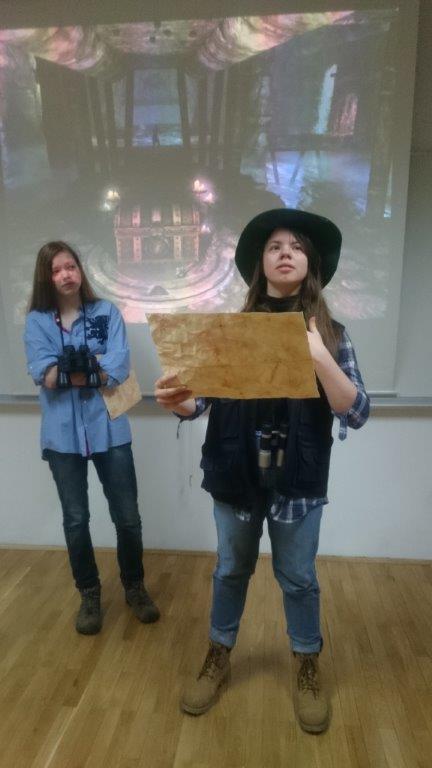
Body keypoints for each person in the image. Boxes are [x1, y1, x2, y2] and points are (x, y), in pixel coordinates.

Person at [154, 209, 369, 733]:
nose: (285, 252)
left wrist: (318, 355)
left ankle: (306, 662)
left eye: (296, 246)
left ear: (311, 263)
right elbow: (200, 402)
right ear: (261, 263)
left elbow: (356, 411)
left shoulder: (332, 335)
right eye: (275, 246)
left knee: (298, 578)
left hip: (298, 480)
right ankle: (218, 653)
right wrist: (178, 402)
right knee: (230, 569)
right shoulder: (231, 332)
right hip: (236, 474)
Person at [24, 241, 159, 635]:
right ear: (46, 277)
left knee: (128, 517)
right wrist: (88, 369)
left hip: (110, 429)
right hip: (61, 437)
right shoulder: (36, 321)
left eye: (71, 266)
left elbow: (117, 368)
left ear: (80, 270)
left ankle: (134, 586)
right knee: (75, 519)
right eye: (56, 270)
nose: (66, 275)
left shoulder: (106, 313)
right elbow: (44, 374)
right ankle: (89, 594)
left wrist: (69, 371)